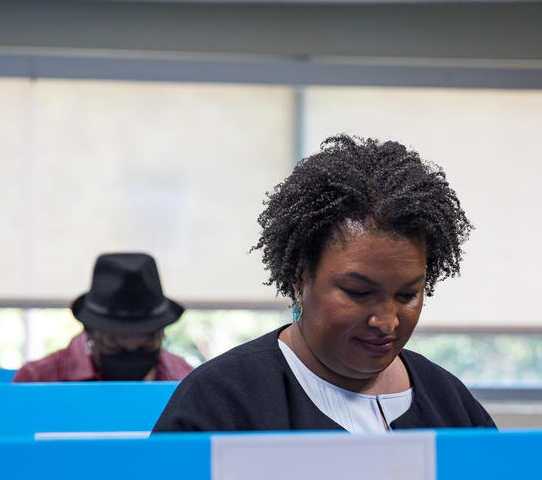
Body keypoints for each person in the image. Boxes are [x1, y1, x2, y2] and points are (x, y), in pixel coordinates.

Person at [153, 134, 496, 433]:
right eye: (358, 293)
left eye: (407, 294)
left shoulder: (450, 405)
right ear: (300, 279)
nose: (386, 322)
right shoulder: (220, 403)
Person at [13, 253, 193, 382]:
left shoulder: (184, 382)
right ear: (89, 332)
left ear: (162, 335)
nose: (131, 349)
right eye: (114, 341)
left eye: (146, 340)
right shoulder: (38, 381)